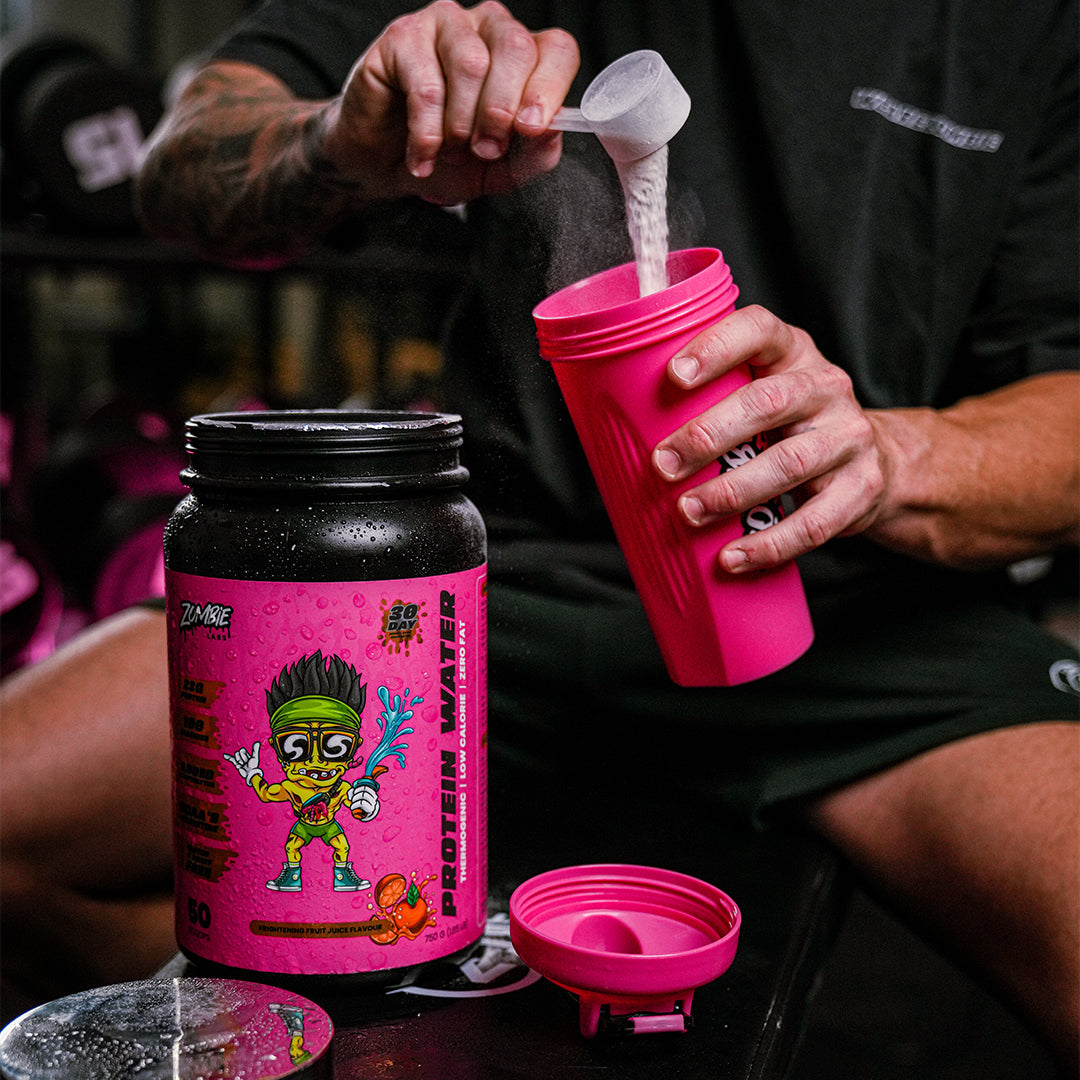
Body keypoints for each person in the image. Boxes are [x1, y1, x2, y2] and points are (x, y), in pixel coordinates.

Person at [2, 0, 1076, 1067]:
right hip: (479, 604)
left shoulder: (1020, 30)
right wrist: (335, 138)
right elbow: (181, 163)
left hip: (867, 627)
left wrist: (887, 457)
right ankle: (296, 1015)